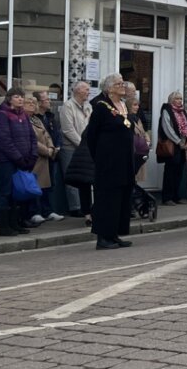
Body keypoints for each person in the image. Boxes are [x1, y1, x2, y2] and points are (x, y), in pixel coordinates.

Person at [83, 74, 136, 249]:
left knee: (121, 198)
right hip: (108, 163)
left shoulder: (123, 106)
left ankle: (114, 234)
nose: (123, 86)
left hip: (125, 161)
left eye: (123, 82)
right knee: (107, 199)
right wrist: (100, 157)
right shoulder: (101, 108)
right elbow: (91, 136)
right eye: (119, 84)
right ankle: (103, 237)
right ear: (109, 88)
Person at [0, 88, 38, 236]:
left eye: (22, 97)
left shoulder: (24, 115)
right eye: (17, 97)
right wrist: (18, 158)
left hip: (24, 160)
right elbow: (4, 140)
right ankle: (5, 226)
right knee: (6, 192)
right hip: (7, 161)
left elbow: (32, 137)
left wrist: (32, 156)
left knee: (18, 192)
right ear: (9, 99)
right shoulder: (2, 115)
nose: (20, 99)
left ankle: (16, 222)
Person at [25, 95, 64, 225]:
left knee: (45, 186)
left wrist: (51, 147)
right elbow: (32, 140)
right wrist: (47, 151)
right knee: (33, 186)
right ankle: (34, 212)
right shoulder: (24, 120)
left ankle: (46, 210)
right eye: (29, 102)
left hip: (45, 158)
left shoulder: (36, 119)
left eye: (33, 102)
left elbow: (47, 135)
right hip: (34, 158)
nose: (32, 104)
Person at [59, 80, 92, 221]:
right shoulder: (68, 106)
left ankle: (86, 208)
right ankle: (75, 207)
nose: (88, 92)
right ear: (78, 91)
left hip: (86, 148)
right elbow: (68, 129)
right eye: (86, 89)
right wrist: (82, 144)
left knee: (85, 178)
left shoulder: (89, 107)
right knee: (73, 177)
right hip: (71, 148)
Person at [127, 96, 151, 185]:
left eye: (138, 105)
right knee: (131, 175)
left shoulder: (137, 118)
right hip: (133, 152)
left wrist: (147, 141)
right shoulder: (127, 119)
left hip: (141, 152)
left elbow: (143, 132)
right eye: (134, 105)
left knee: (135, 177)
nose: (137, 107)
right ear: (129, 106)